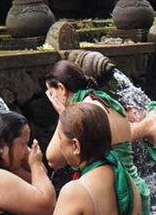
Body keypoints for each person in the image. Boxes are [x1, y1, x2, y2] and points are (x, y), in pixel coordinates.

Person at [44, 60, 145, 192]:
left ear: (62, 89)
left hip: (114, 191)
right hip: (135, 187)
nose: (51, 99)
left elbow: (54, 160)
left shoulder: (84, 110)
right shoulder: (107, 101)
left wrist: (63, 115)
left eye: (51, 93)